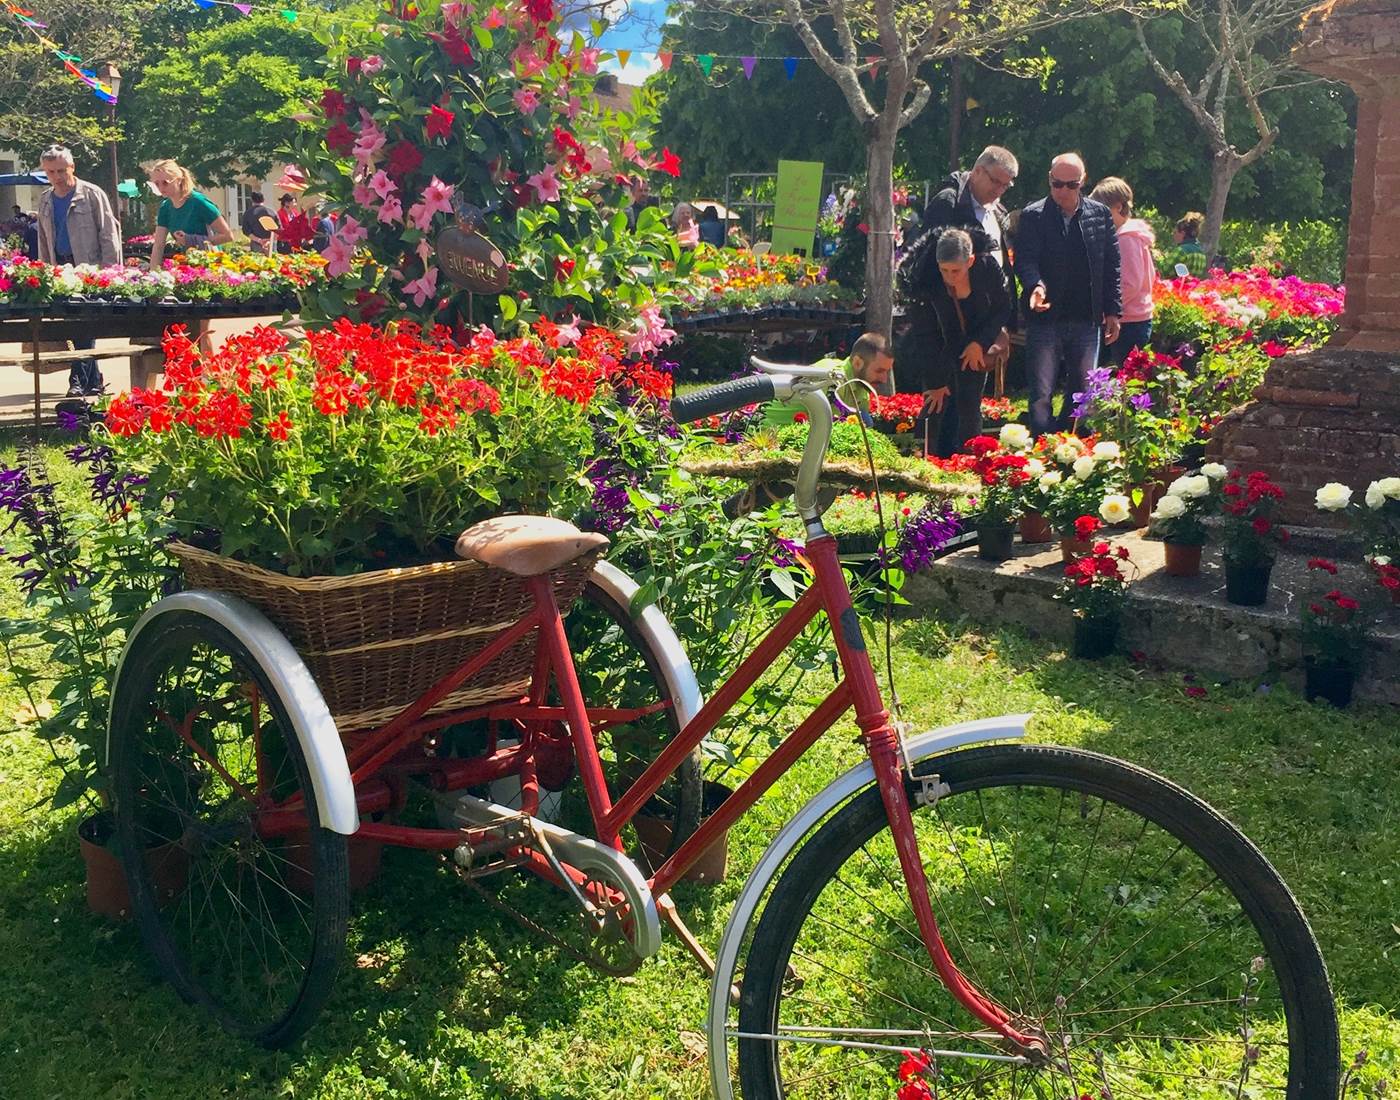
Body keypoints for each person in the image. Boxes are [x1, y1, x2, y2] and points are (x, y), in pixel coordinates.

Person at [1013, 152, 1122, 437]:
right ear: (1049, 181)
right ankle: (1041, 452)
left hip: (1087, 318)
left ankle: (1076, 452)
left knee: (1084, 393)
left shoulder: (1099, 215)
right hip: (1045, 318)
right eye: (1056, 184)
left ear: (1082, 182)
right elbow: (1025, 260)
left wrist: (1113, 311)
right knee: (1041, 394)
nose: (1062, 191)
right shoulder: (1033, 215)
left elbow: (1111, 266)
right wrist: (1035, 285)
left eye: (1070, 185)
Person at [903, 228, 1011, 457]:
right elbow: (926, 334)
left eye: (956, 270)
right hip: (939, 343)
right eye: (945, 270)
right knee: (935, 404)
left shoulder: (988, 268)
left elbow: (1003, 308)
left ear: (970, 261)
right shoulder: (927, 279)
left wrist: (979, 344)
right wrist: (937, 380)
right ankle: (926, 462)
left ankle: (970, 461)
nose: (950, 277)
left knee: (970, 405)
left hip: (976, 341)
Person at [35, 145, 122, 396]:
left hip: (89, 268)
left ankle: (77, 380)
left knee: (84, 323)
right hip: (60, 268)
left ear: (72, 167)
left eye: (62, 170)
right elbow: (42, 238)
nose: (57, 176)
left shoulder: (92, 194)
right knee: (72, 324)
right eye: (51, 172)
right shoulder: (45, 199)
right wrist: (44, 272)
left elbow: (109, 235)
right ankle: (93, 380)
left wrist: (110, 272)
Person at [762, 331, 895, 429]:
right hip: (770, 437)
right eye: (879, 371)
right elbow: (830, 430)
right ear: (857, 363)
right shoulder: (830, 377)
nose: (884, 379)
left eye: (887, 371)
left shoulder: (862, 386)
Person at [1089, 177, 1155, 364]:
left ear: (1118, 207)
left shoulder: (1126, 239)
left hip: (1129, 320)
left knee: (1126, 377)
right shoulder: (1125, 236)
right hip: (1130, 317)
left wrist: (1106, 308)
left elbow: (1130, 284)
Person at [147, 159, 233, 269]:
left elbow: (227, 235)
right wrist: (153, 274)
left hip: (210, 264)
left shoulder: (198, 202)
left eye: (165, 183)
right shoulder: (165, 207)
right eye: (157, 184)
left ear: (178, 180)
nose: (161, 188)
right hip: (187, 263)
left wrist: (191, 240)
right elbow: (158, 245)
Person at [1164, 211, 1208, 276]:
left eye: (1175, 232)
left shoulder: (1181, 251)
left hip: (1179, 286)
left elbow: (1165, 271)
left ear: (1182, 233)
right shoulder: (1201, 253)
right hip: (1195, 286)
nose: (1173, 235)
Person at [239, 190, 276, 255]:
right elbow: (279, 230)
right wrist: (269, 241)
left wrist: (259, 240)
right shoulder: (272, 212)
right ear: (263, 200)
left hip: (256, 244)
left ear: (252, 200)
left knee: (257, 263)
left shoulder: (248, 213)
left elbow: (246, 231)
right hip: (271, 243)